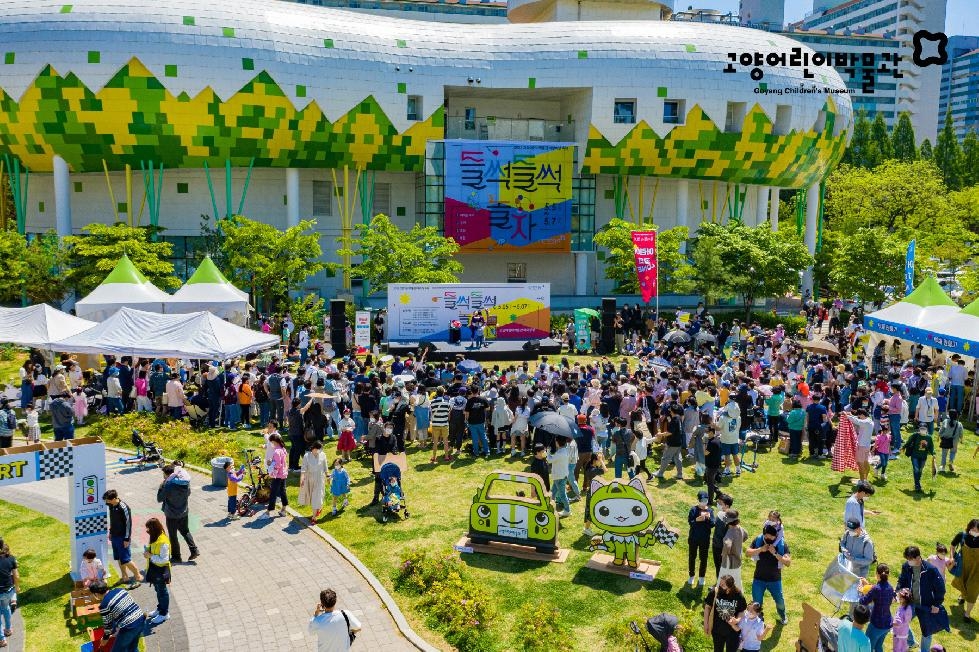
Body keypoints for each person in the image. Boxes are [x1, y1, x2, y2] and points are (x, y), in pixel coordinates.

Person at [896, 545, 949, 652]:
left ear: (918, 557)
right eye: (907, 559)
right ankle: (911, 643)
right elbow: (902, 580)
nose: (908, 561)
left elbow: (941, 589)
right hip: (910, 602)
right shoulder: (906, 566)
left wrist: (936, 604)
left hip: (926, 606)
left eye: (910, 559)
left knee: (927, 632)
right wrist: (898, 591)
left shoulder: (931, 570)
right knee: (900, 623)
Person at [747, 523, 791, 625]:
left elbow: (788, 562)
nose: (769, 537)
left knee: (779, 601)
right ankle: (759, 620)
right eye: (766, 535)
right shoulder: (758, 540)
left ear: (776, 536)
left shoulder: (782, 544)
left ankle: (783, 615)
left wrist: (775, 553)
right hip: (759, 578)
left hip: (774, 579)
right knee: (757, 603)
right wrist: (760, 549)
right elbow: (747, 553)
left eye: (771, 536)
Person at [156, 464, 199, 563]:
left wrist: (161, 487)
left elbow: (159, 499)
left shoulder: (167, 485)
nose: (163, 476)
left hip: (171, 515)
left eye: (164, 474)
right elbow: (189, 493)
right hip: (184, 512)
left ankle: (176, 557)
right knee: (185, 531)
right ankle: (194, 550)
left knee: (173, 535)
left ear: (168, 475)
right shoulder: (185, 483)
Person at [89, 580, 145, 652]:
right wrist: (115, 631)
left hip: (129, 627)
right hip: (141, 619)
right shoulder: (120, 590)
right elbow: (124, 610)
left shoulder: (104, 605)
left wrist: (104, 639)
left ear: (96, 594)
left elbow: (108, 627)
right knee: (132, 647)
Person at [104, 489, 143, 588]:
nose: (106, 502)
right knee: (119, 557)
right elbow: (113, 520)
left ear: (113, 499)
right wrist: (111, 531)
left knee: (126, 559)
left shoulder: (124, 507)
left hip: (122, 537)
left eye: (107, 500)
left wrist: (126, 539)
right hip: (115, 536)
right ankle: (125, 577)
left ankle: (138, 576)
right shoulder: (111, 505)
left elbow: (128, 524)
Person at [703, 574, 747, 652]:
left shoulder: (738, 595)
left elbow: (742, 610)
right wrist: (706, 623)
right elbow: (707, 607)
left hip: (732, 631)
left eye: (723, 585)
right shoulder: (715, 592)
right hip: (717, 630)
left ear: (729, 587)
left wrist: (737, 620)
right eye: (720, 583)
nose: (720, 585)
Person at [859, 563, 896, 652]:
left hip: (876, 625)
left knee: (868, 647)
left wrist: (861, 590)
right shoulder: (890, 587)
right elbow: (879, 591)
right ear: (888, 574)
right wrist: (868, 586)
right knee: (879, 647)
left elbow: (863, 601)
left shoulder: (876, 589)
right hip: (887, 623)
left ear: (877, 574)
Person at [142, 517, 172, 625]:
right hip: (154, 569)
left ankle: (164, 614)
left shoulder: (163, 541)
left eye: (149, 529)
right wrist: (147, 552)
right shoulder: (155, 537)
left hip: (161, 570)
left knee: (162, 592)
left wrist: (150, 555)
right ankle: (160, 609)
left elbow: (165, 559)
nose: (147, 531)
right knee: (158, 590)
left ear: (154, 529)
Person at [951, 519, 979, 623]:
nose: (975, 532)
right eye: (973, 529)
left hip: (977, 571)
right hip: (963, 567)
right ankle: (962, 595)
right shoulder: (962, 535)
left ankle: (967, 614)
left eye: (977, 530)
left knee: (973, 591)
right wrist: (952, 557)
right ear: (969, 528)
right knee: (962, 584)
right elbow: (953, 545)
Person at [688, 490, 714, 588]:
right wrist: (696, 520)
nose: (704, 501)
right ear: (699, 500)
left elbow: (712, 524)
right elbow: (690, 523)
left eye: (706, 499)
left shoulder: (710, 511)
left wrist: (708, 518)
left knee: (703, 558)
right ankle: (691, 575)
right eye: (702, 499)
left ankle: (702, 577)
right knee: (692, 557)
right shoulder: (693, 510)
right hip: (693, 538)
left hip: (705, 539)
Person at [300, 440, 329, 522]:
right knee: (313, 498)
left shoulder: (323, 455)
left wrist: (328, 476)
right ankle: (318, 509)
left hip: (319, 479)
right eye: (318, 449)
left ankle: (314, 517)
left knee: (317, 497)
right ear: (314, 448)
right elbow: (303, 469)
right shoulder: (307, 456)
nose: (319, 451)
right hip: (310, 479)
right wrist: (302, 478)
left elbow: (325, 467)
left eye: (320, 449)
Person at [720, 509, 748, 592]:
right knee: (737, 582)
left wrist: (724, 554)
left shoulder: (730, 532)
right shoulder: (740, 529)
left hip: (729, 563)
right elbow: (746, 536)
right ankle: (739, 599)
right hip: (738, 560)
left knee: (725, 582)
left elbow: (727, 545)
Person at [902, 426, 935, 493]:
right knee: (916, 469)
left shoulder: (929, 437)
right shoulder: (915, 435)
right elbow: (909, 441)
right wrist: (903, 447)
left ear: (926, 430)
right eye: (921, 429)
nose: (922, 431)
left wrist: (933, 453)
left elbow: (931, 447)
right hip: (915, 456)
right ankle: (917, 485)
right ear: (919, 430)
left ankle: (917, 481)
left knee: (920, 470)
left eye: (924, 429)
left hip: (923, 457)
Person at [264, 433, 290, 518]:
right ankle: (284, 509)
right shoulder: (282, 449)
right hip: (283, 474)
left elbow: (278, 464)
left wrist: (272, 473)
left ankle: (269, 511)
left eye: (271, 442)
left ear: (274, 441)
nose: (271, 443)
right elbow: (281, 461)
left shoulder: (276, 451)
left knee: (273, 492)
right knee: (283, 491)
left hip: (278, 475)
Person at [0, 539, 19, 649]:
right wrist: (17, 587)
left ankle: (2, 639)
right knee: (6, 607)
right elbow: (16, 576)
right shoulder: (11, 559)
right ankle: (8, 629)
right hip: (8, 590)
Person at [712, 494, 733, 578]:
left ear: (727, 505)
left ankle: (723, 586)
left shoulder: (730, 518)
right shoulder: (720, 513)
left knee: (723, 567)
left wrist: (725, 549)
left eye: (720, 503)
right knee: (717, 566)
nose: (718, 504)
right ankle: (718, 583)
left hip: (723, 547)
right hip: (716, 544)